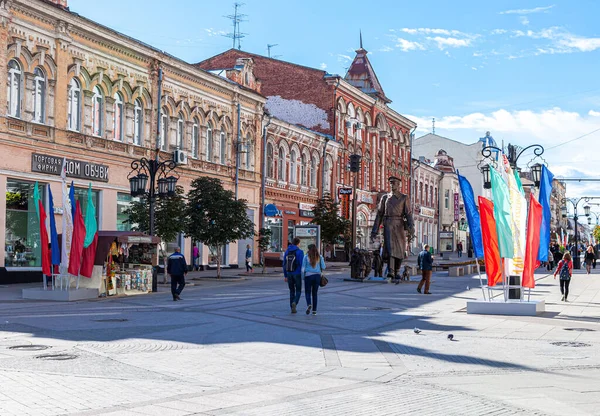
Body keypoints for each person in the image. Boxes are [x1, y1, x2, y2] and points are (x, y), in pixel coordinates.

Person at [370, 176, 415, 280]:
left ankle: (397, 270)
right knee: (390, 248)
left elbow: (408, 213)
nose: (392, 184)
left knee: (400, 249)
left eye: (394, 183)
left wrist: (411, 227)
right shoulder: (385, 198)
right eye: (390, 183)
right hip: (388, 225)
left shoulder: (404, 197)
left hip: (399, 225)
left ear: (399, 185)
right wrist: (374, 231)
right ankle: (391, 271)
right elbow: (379, 215)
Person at [302, 243, 326, 315]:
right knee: (315, 293)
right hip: (317, 277)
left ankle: (309, 304)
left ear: (308, 249)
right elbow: (324, 267)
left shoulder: (306, 257)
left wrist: (303, 277)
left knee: (307, 292)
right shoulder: (319, 257)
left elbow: (303, 269)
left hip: (308, 276)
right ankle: (314, 311)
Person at [283, 238, 304, 313]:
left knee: (291, 291)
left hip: (289, 273)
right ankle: (295, 302)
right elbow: (302, 264)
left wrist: (285, 275)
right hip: (297, 273)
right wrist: (303, 274)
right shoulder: (300, 252)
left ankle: (292, 307)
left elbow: (284, 264)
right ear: (298, 243)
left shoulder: (287, 251)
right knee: (298, 290)